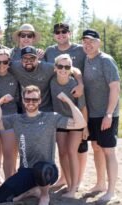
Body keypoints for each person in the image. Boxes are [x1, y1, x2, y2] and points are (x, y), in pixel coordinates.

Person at [0, 85, 86, 205]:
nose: (31, 102)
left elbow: (80, 123)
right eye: (27, 99)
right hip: (26, 171)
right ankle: (32, 191)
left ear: (40, 101)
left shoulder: (51, 118)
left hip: (48, 171)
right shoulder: (16, 119)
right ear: (23, 100)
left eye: (35, 100)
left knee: (40, 169)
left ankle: (44, 195)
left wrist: (68, 100)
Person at [44, 22, 88, 189]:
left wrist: (80, 83)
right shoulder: (49, 52)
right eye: (57, 32)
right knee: (63, 152)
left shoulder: (79, 49)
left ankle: (76, 183)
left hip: (78, 108)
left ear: (69, 33)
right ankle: (66, 180)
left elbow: (79, 70)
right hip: (60, 118)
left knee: (76, 150)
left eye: (64, 31)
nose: (61, 34)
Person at [82, 29, 120, 202]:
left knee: (108, 150)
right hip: (93, 114)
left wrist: (109, 114)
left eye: (91, 41)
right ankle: (100, 184)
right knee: (96, 148)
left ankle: (111, 191)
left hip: (106, 114)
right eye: (85, 41)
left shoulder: (106, 60)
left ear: (99, 43)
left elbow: (115, 88)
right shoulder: (87, 60)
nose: (88, 44)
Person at [50, 54, 88, 198]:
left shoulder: (75, 85)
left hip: (76, 122)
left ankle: (73, 188)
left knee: (72, 152)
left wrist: (85, 127)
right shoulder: (52, 82)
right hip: (60, 122)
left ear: (71, 69)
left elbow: (83, 107)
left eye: (67, 67)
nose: (63, 69)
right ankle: (68, 182)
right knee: (62, 153)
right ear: (55, 68)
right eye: (60, 66)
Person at [9, 46, 84, 112]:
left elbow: (74, 70)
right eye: (25, 59)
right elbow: (1, 65)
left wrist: (80, 84)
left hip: (46, 110)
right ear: (21, 60)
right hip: (27, 110)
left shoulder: (47, 68)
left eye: (32, 59)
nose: (28, 62)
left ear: (37, 59)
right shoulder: (15, 67)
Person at [0, 48, 20, 190]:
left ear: (9, 62)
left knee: (10, 152)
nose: (2, 65)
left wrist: (13, 98)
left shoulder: (15, 77)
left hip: (10, 117)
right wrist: (0, 101)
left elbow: (20, 97)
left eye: (5, 62)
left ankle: (9, 184)